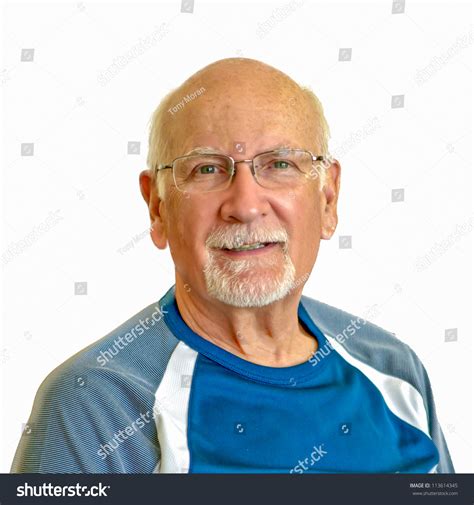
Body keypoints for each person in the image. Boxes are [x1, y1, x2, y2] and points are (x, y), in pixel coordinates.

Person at [11, 58, 454, 473]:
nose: (245, 206)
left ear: (328, 198)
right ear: (157, 207)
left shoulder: (396, 372)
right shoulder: (94, 405)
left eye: (280, 164)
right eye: (206, 169)